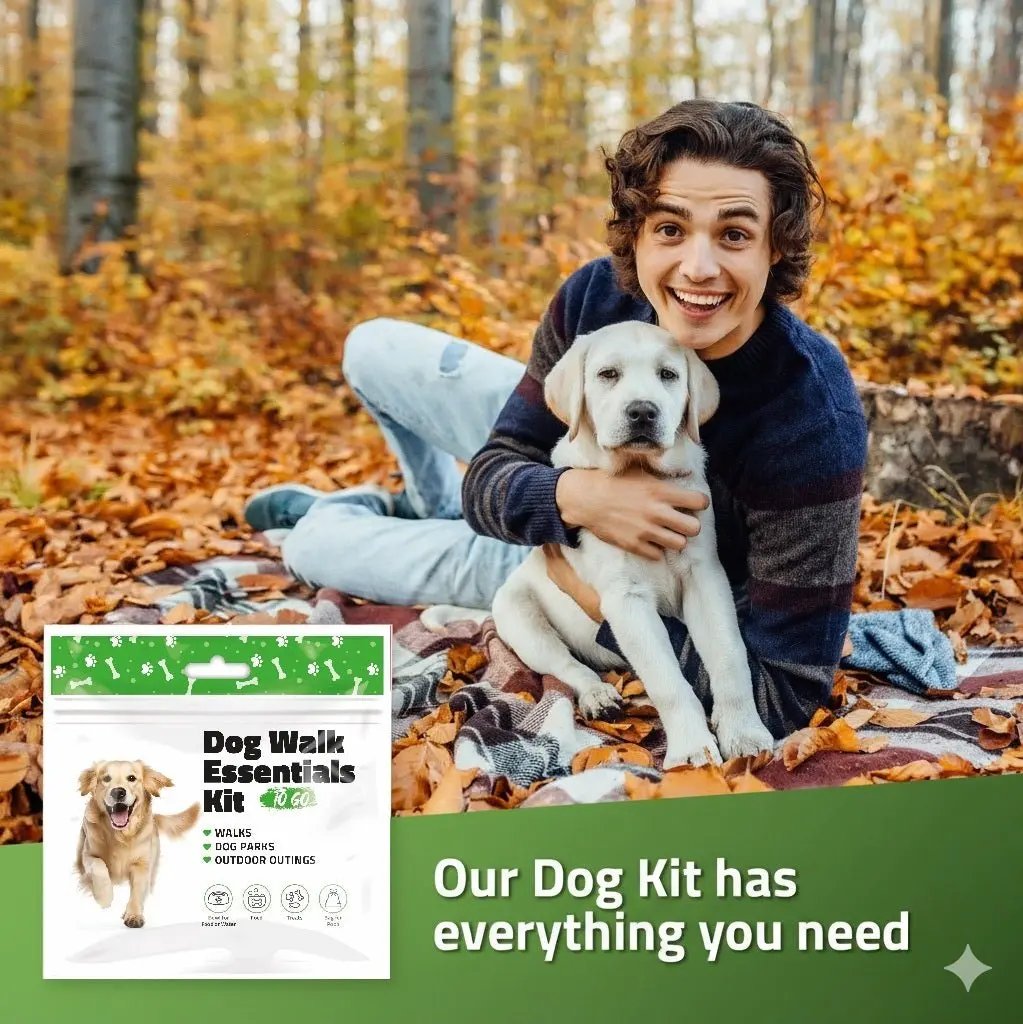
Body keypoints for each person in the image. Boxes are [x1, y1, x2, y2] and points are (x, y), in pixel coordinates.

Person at [244, 99, 868, 739]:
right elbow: (496, 468)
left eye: (734, 234)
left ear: (776, 249)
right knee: (371, 345)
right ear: (637, 236)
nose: (699, 268)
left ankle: (341, 514)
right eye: (671, 230)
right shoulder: (598, 295)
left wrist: (594, 602)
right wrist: (573, 496)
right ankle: (424, 503)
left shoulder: (811, 419)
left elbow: (786, 691)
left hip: (574, 578)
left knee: (313, 546)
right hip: (570, 471)